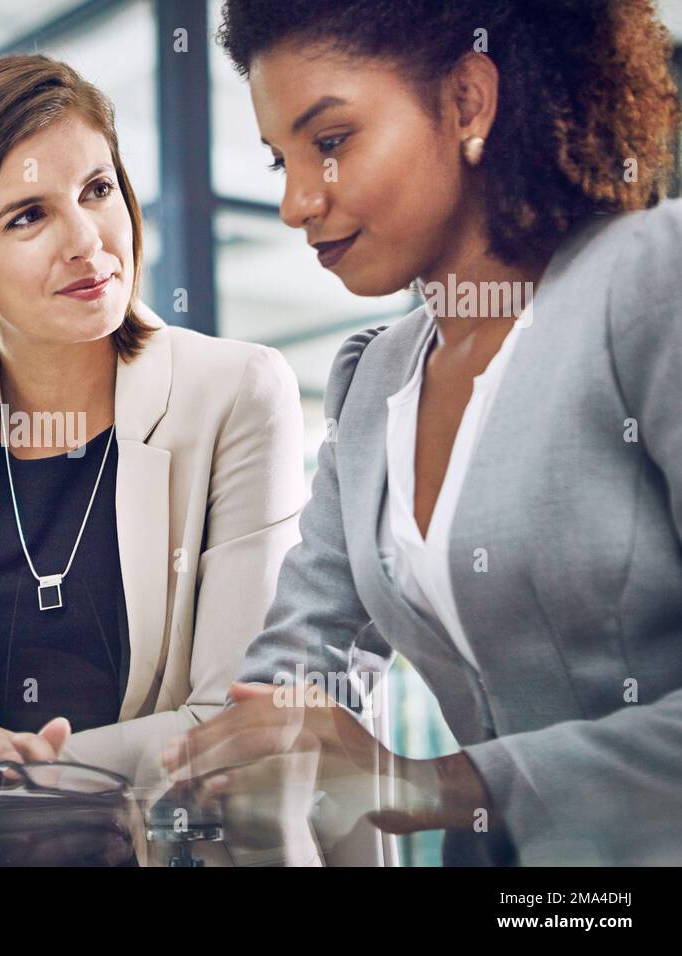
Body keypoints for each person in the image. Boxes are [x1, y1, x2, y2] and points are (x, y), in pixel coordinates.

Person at [166, 0, 682, 865]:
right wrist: (187, 764)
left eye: (330, 142)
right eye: (278, 160)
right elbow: (299, 657)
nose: (297, 203)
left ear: (468, 104)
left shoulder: (648, 282)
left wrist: (433, 786)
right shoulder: (374, 382)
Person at [0, 54, 308, 796]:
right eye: (29, 215)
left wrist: (18, 778)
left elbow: (229, 723)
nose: (86, 240)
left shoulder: (236, 392)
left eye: (97, 189)